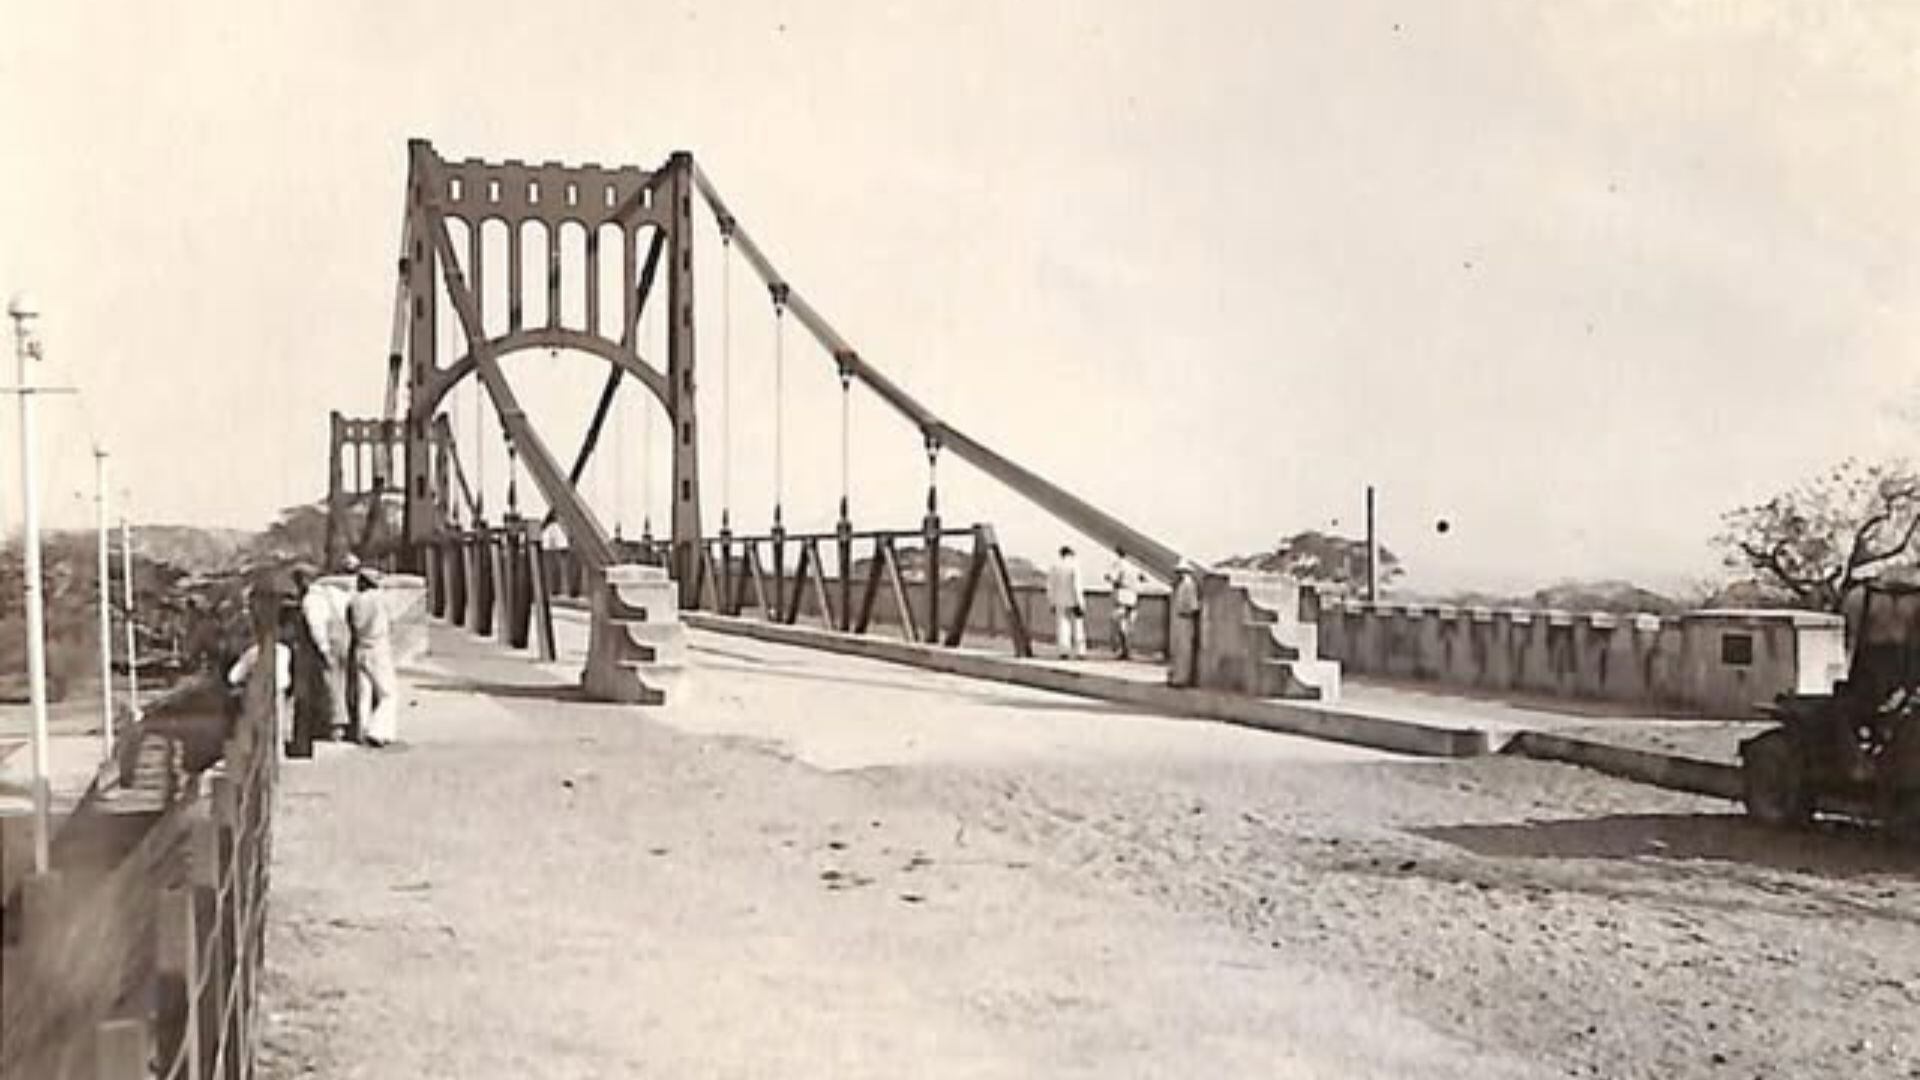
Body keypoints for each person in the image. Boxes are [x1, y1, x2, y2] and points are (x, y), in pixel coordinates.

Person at [293, 568, 350, 742]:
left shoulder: (311, 600)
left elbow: (316, 626)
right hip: (343, 639)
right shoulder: (333, 593)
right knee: (342, 682)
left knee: (329, 685)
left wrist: (323, 649)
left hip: (329, 641)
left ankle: (336, 727)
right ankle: (342, 723)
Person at [347, 567, 401, 749]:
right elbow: (392, 617)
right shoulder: (378, 599)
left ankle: (361, 731)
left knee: (365, 692)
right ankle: (378, 731)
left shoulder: (354, 601)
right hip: (378, 647)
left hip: (360, 647)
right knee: (388, 694)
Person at [1046, 545, 1087, 661]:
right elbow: (1077, 585)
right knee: (1078, 626)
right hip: (1073, 600)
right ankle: (1080, 651)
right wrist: (1080, 602)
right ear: (1070, 554)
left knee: (1062, 626)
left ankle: (1064, 651)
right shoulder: (1074, 565)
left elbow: (1050, 586)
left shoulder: (1054, 566)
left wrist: (1051, 602)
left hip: (1059, 601)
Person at [1168, 559, 1203, 688]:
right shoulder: (1180, 585)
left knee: (1184, 650)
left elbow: (1192, 606)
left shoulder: (1188, 585)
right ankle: (1177, 676)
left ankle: (1182, 679)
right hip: (1179, 618)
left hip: (1185, 619)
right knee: (1178, 650)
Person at [1105, 549, 1141, 661]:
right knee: (1130, 625)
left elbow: (1112, 578)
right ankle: (1128, 650)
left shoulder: (1119, 563)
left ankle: (1123, 650)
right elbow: (1142, 578)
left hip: (1122, 595)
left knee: (1119, 624)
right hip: (1133, 596)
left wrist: (1108, 578)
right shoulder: (1136, 564)